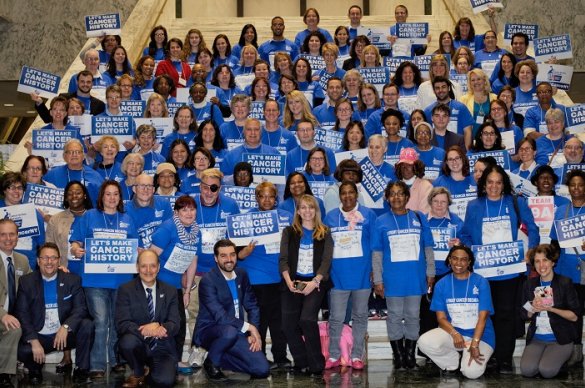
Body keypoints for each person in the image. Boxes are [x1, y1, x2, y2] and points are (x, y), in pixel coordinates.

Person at [460, 164, 539, 373]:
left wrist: (530, 252)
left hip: (510, 271)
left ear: (504, 185)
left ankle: (504, 358)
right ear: (483, 185)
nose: (494, 186)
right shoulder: (474, 206)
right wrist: (471, 251)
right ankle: (491, 356)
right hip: (484, 271)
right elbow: (466, 234)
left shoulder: (516, 202)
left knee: (506, 314)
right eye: (490, 182)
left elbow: (533, 228)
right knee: (487, 315)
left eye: (498, 182)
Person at [69, 180, 138, 378]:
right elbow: (75, 241)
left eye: (116, 194)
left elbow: (134, 246)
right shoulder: (89, 216)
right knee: (100, 321)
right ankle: (97, 365)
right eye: (108, 194)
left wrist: (138, 251)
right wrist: (75, 248)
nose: (112, 198)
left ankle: (116, 360)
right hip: (94, 280)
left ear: (120, 197)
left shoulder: (127, 218)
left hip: (121, 280)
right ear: (101, 197)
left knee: (117, 321)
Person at [372, 181, 435, 370]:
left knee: (413, 317)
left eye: (400, 193)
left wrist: (430, 272)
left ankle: (410, 356)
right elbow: (376, 253)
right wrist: (378, 279)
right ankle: (398, 356)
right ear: (387, 198)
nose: (396, 197)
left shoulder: (419, 217)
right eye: (392, 194)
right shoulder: (380, 221)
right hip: (392, 279)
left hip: (415, 278)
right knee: (394, 317)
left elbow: (428, 247)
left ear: (407, 197)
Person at [15, 243, 94, 385]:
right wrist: (33, 340)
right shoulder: (26, 282)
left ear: (59, 261)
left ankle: (81, 369)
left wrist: (66, 326)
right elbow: (22, 313)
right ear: (38, 261)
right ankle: (35, 369)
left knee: (87, 325)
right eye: (45, 258)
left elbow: (80, 309)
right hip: (41, 336)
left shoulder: (72, 280)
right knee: (23, 350)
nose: (49, 262)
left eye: (53, 258)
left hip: (63, 335)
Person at [192, 239, 270, 379]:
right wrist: (249, 327)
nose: (229, 259)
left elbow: (252, 306)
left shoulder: (241, 274)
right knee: (229, 331)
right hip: (211, 331)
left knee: (262, 369)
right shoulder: (208, 281)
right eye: (223, 256)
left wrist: (253, 332)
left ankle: (220, 358)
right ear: (216, 258)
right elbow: (220, 317)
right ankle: (211, 362)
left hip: (235, 331)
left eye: (232, 255)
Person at [236, 182, 293, 370]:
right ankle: (257, 357)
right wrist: (245, 252)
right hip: (255, 280)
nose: (267, 200)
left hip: (280, 278)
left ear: (276, 198)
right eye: (262, 196)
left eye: (270, 196)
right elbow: (236, 255)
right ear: (256, 198)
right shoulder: (244, 219)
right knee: (258, 322)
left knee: (279, 322)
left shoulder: (286, 217)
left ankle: (280, 357)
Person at [417, 245, 495, 379]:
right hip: (455, 333)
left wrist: (475, 343)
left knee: (471, 373)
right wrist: (454, 333)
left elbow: (482, 318)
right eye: (455, 259)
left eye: (463, 259)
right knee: (424, 341)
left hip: (480, 336)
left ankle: (469, 356)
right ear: (450, 260)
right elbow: (441, 319)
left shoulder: (481, 282)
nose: (458, 263)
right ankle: (452, 363)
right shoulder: (442, 284)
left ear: (469, 262)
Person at [324, 181, 376, 369]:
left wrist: (374, 271)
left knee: (360, 316)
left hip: (363, 274)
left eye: (350, 193)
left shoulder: (368, 215)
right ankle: (334, 355)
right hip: (338, 276)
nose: (347, 196)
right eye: (343, 193)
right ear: (340, 196)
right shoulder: (330, 217)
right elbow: (325, 247)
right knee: (336, 317)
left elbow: (375, 246)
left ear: (356, 194)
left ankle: (356, 355)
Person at [280, 194, 333, 376]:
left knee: (307, 320)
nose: (307, 211)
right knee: (288, 325)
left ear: (316, 210)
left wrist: (315, 282)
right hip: (293, 282)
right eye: (303, 207)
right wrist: (289, 282)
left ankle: (317, 363)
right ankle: (301, 362)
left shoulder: (325, 232)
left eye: (311, 207)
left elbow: (326, 261)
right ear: (298, 211)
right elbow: (283, 260)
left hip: (315, 283)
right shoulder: (289, 232)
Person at [149, 195, 199, 372]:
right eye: (184, 209)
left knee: (178, 324)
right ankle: (156, 362)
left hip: (176, 286)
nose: (189, 213)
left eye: (192, 209)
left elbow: (193, 260)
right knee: (160, 325)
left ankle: (176, 360)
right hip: (159, 284)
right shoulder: (167, 228)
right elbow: (150, 258)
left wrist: (187, 291)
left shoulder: (195, 231)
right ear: (176, 212)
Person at [115, 250, 180, 388]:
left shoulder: (171, 290)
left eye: (153, 266)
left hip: (162, 346)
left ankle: (150, 372)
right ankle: (138, 372)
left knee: (165, 381)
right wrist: (147, 330)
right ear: (137, 267)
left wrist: (160, 326)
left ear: (159, 267)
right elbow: (122, 323)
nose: (148, 270)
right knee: (127, 343)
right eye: (144, 266)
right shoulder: (125, 290)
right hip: (138, 342)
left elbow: (175, 323)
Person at [520, 244, 579, 378]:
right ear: (533, 265)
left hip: (560, 339)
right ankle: (547, 359)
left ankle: (559, 361)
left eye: (545, 260)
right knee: (527, 370)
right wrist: (532, 307)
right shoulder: (529, 284)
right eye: (537, 261)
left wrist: (551, 309)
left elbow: (575, 316)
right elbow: (523, 314)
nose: (542, 265)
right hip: (537, 338)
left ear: (552, 262)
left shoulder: (565, 283)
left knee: (547, 371)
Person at [550, 169, 585, 366]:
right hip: (566, 270)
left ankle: (578, 350)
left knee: (580, 311)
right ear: (568, 188)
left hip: (584, 269)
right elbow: (554, 243)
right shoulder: (562, 210)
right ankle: (571, 350)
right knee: (571, 311)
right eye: (573, 185)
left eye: (581, 184)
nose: (577, 188)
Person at [0, 219, 31, 387]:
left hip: (13, 317)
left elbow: (35, 282)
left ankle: (4, 374)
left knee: (14, 328)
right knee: (11, 324)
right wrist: (3, 315)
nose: (8, 238)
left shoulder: (23, 260)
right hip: (2, 314)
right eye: (3, 234)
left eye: (12, 234)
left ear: (17, 237)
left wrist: (56, 270)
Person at [45, 181, 93, 272]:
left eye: (78, 193)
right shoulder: (55, 220)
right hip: (64, 271)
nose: (74, 196)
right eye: (70, 194)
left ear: (85, 195)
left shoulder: (95, 217)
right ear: (66, 198)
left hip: (90, 273)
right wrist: (57, 267)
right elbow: (48, 249)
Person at [34, 70, 105, 120]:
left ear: (92, 83)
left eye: (88, 82)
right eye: (82, 81)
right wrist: (39, 102)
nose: (85, 84)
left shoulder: (99, 105)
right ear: (77, 82)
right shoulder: (64, 98)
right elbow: (48, 118)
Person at [433, 146, 477, 220]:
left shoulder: (475, 180)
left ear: (463, 159)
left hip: (473, 225)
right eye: (450, 159)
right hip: (450, 227)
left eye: (457, 158)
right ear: (446, 162)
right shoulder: (438, 183)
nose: (454, 162)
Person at [459, 69, 497, 143]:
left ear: (484, 80)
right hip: (471, 140)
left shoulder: (495, 98)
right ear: (470, 83)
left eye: (479, 79)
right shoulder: (463, 100)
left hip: (491, 140)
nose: (476, 82)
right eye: (473, 80)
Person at [395, 148, 433, 214]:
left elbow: (423, 214)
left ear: (416, 167)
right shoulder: (395, 186)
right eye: (402, 165)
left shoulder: (426, 186)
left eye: (409, 165)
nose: (405, 168)